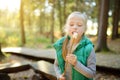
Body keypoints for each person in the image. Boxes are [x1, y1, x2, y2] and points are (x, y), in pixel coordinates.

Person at [53, 11, 96, 80]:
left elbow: (92, 74)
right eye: (71, 24)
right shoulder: (61, 45)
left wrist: (76, 63)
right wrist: (59, 76)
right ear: (66, 27)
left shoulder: (89, 48)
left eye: (79, 25)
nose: (75, 27)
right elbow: (56, 65)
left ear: (84, 29)